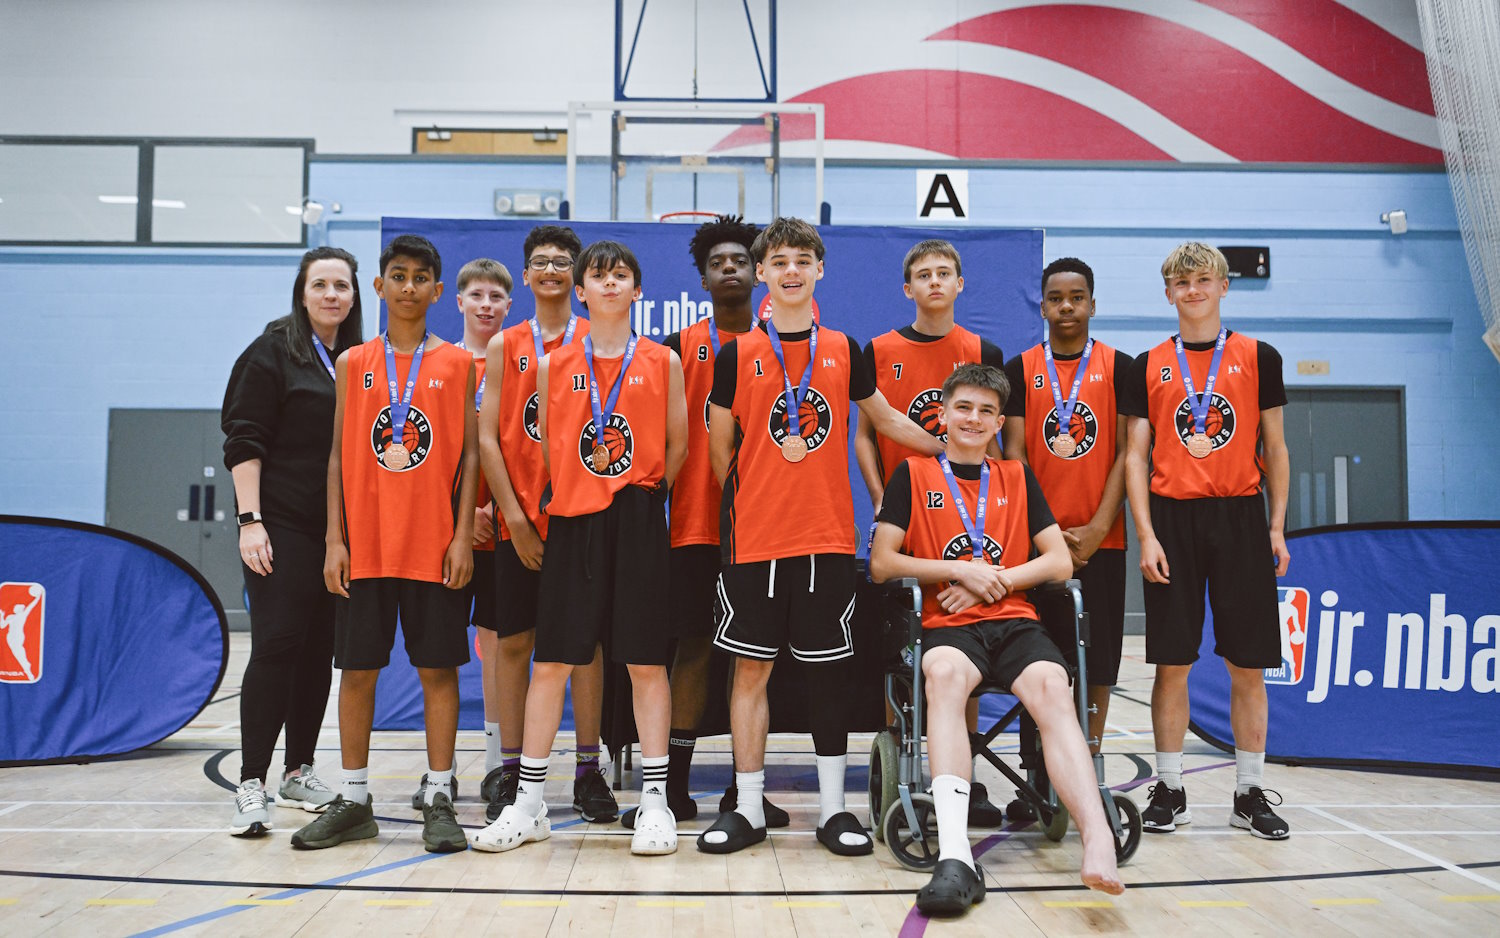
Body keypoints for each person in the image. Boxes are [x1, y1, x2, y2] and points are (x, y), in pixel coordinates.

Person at [699, 217, 943, 857]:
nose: (791, 271)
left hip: (828, 540)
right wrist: (760, 493)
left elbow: (886, 420)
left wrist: (951, 445)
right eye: (779, 261)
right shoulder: (736, 355)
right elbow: (720, 450)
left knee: (827, 676)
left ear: (820, 270)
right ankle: (748, 808)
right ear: (762, 272)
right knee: (750, 672)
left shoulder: (843, 348)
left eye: (803, 260)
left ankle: (834, 811)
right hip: (754, 542)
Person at [870, 363, 1126, 915]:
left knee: (1052, 685)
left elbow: (1059, 562)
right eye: (963, 407)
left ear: (998, 423)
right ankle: (955, 854)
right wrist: (957, 570)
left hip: (1013, 620)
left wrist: (996, 581)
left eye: (986, 411)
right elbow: (882, 562)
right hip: (946, 626)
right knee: (943, 677)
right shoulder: (912, 474)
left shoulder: (1015, 476)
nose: (974, 418)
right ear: (942, 414)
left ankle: (1097, 836)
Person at [471, 239, 688, 856]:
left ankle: (654, 804)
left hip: (638, 516)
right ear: (583, 291)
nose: (610, 283)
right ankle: (528, 804)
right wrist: (581, 490)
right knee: (552, 662)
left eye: (621, 275)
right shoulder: (553, 365)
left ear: (637, 290)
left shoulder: (663, 361)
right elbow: (546, 449)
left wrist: (639, 495)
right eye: (599, 275)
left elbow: (676, 446)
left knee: (645, 663)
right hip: (571, 519)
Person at [291, 234, 479, 853]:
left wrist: (461, 536)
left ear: (436, 290)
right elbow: (338, 458)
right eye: (398, 275)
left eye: (421, 277)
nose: (408, 286)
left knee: (438, 671)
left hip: (434, 547)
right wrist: (334, 540)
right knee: (358, 672)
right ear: (379, 286)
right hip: (366, 548)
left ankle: (440, 794)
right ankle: (354, 798)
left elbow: (469, 457)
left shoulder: (458, 363)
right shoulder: (353, 362)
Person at [620, 215, 788, 830]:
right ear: (702, 278)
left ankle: (747, 790)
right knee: (691, 650)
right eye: (717, 262)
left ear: (757, 271)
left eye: (739, 260)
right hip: (691, 524)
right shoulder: (675, 347)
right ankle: (675, 785)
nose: (729, 268)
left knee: (755, 660)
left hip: (763, 527)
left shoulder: (783, 346)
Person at [1122, 242, 1291, 840]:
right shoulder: (1147, 363)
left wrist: (1275, 525)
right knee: (1172, 663)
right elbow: (1135, 455)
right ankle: (1170, 789)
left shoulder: (1259, 356)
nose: (1192, 290)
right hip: (1173, 519)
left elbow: (1275, 447)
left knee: (1248, 664)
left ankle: (1249, 792)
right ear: (1168, 292)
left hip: (1241, 516)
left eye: (1202, 280)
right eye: (1181, 282)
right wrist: (1146, 534)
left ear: (1223, 286)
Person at [854, 238, 1008, 826]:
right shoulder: (880, 349)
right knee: (897, 651)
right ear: (908, 287)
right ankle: (902, 770)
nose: (935, 281)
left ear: (960, 283)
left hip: (965, 525)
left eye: (945, 272)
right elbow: (865, 435)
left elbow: (992, 444)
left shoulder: (982, 351)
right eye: (924, 274)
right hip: (904, 520)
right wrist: (879, 498)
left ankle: (964, 779)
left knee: (962, 650)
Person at [221, 246, 364, 837]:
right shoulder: (272, 351)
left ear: (354, 296)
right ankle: (251, 782)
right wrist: (249, 520)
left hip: (335, 533)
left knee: (316, 653)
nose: (331, 294)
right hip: (278, 525)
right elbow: (243, 438)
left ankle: (298, 770)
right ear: (302, 293)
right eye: (320, 284)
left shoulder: (354, 359)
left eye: (341, 286)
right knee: (278, 646)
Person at [476, 226, 612, 824]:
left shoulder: (598, 341)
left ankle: (588, 769)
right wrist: (513, 516)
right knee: (514, 643)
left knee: (586, 647)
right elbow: (488, 438)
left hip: (581, 524)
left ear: (577, 278)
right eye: (541, 262)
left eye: (562, 261)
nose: (551, 270)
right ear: (526, 275)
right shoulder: (505, 345)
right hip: (521, 522)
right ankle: (511, 768)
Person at [1002, 257, 1129, 758]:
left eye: (1077, 298)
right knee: (1039, 660)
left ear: (1093, 304)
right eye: (1056, 299)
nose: (1067, 307)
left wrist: (1098, 527)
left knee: (1099, 662)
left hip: (1103, 541)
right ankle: (1036, 769)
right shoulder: (1019, 369)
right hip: (1036, 546)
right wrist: (1047, 533)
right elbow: (1015, 456)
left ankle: (1088, 763)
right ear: (1042, 307)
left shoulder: (1121, 367)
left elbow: (1127, 454)